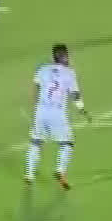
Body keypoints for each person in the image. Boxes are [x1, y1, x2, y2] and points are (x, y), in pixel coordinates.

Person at [27, 43, 87, 190]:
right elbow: (75, 94)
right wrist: (82, 109)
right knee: (67, 143)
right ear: (65, 56)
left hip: (41, 110)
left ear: (53, 57)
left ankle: (29, 174)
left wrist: (35, 107)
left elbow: (36, 88)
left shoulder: (42, 69)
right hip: (57, 112)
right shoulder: (69, 73)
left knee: (36, 142)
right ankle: (60, 170)